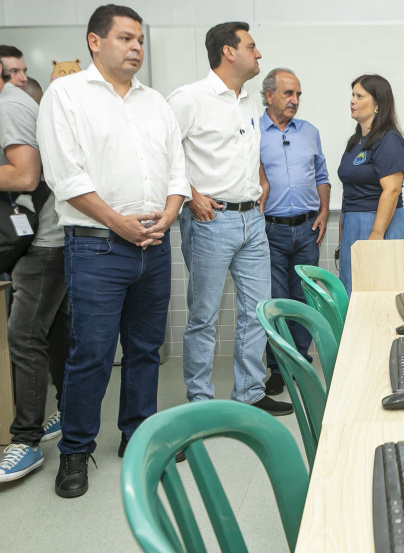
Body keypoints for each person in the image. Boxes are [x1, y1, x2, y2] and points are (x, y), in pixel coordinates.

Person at [36, 4, 190, 498]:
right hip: (98, 248)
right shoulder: (66, 95)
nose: (136, 48)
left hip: (155, 245)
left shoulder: (155, 102)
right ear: (94, 41)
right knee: (93, 354)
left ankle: (137, 434)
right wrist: (119, 223)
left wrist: (170, 211)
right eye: (125, 38)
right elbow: (65, 176)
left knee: (146, 350)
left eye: (140, 40)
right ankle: (76, 451)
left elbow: (176, 169)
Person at [167, 23, 292, 415]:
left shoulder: (248, 101)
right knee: (203, 315)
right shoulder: (189, 98)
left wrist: (261, 178)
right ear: (229, 52)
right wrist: (189, 195)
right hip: (210, 220)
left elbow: (246, 148)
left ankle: (250, 392)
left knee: (258, 310)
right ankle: (200, 402)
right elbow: (161, 154)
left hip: (252, 219)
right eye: (252, 47)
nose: (259, 54)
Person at [0, 49, 68, 484]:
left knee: (24, 335)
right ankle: (66, 412)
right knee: (57, 332)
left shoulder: (9, 105)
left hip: (43, 243)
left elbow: (25, 177)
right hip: (50, 239)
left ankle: (24, 441)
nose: (23, 78)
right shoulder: (17, 103)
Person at [258, 68, 330, 395]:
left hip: (306, 227)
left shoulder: (310, 132)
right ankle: (277, 368)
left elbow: (322, 175)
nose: (295, 100)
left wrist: (325, 211)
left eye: (298, 94)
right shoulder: (251, 131)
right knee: (276, 301)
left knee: (304, 298)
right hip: (270, 230)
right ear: (269, 95)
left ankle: (300, 360)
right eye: (288, 94)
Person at [337, 74, 404, 295]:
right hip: (354, 223)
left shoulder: (389, 140)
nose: (352, 100)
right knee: (353, 291)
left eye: (360, 96)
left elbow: (392, 189)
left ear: (378, 104)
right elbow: (348, 189)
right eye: (352, 95)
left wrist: (376, 235)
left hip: (378, 224)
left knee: (380, 293)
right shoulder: (355, 141)